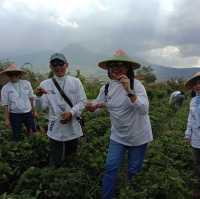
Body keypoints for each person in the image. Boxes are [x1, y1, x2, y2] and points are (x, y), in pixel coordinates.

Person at [86, 49, 153, 199]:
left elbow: (144, 110)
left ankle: (130, 194)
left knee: (133, 171)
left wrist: (128, 90)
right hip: (118, 136)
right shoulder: (106, 88)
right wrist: (92, 107)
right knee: (110, 167)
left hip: (138, 136)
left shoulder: (136, 85)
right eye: (114, 65)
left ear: (128, 68)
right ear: (109, 69)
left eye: (122, 65)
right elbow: (98, 106)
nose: (118, 68)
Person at [35, 53, 86, 167]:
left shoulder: (75, 82)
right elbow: (41, 108)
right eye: (54, 64)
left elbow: (83, 101)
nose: (58, 67)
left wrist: (71, 113)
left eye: (61, 64)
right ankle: (54, 176)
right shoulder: (45, 84)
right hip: (55, 126)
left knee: (71, 155)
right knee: (55, 156)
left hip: (72, 124)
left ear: (66, 65)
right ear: (50, 66)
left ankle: (68, 177)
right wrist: (38, 97)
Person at [0, 64, 36, 142]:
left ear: (19, 74)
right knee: (16, 134)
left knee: (32, 130)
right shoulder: (5, 88)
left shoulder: (26, 83)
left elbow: (31, 98)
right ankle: (18, 147)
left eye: (15, 74)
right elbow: (6, 105)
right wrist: (7, 119)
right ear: (8, 75)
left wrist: (34, 111)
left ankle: (32, 145)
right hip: (15, 114)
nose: (13, 76)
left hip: (28, 112)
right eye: (11, 74)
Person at [185, 72, 200, 199]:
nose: (198, 85)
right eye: (196, 83)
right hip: (196, 138)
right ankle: (197, 188)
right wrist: (188, 134)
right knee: (197, 163)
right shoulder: (193, 101)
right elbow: (191, 118)